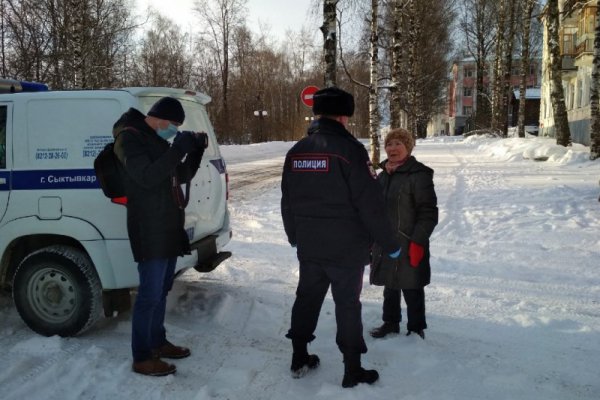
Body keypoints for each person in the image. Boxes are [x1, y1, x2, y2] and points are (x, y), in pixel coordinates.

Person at [281, 87, 401, 388]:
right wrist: (390, 244)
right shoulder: (350, 152)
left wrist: (294, 235)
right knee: (347, 305)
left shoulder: (296, 151)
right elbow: (370, 204)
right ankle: (352, 369)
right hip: (346, 248)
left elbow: (287, 200)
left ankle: (299, 356)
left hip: (310, 245)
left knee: (306, 298)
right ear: (343, 116)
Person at [113, 97, 208, 376]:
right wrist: (177, 149)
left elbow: (180, 174)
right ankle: (142, 357)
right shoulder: (128, 140)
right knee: (149, 295)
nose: (175, 131)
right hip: (148, 227)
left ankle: (157, 341)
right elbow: (146, 176)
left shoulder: (155, 140)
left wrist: (195, 152)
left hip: (167, 226)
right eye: (174, 126)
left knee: (162, 291)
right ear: (160, 118)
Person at [369, 128, 438, 340]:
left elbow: (428, 212)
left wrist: (418, 241)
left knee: (412, 285)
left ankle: (416, 328)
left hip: (409, 240)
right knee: (390, 284)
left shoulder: (419, 174)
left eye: (398, 143)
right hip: (386, 241)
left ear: (408, 147)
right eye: (389, 144)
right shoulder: (382, 176)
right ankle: (390, 323)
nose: (392, 148)